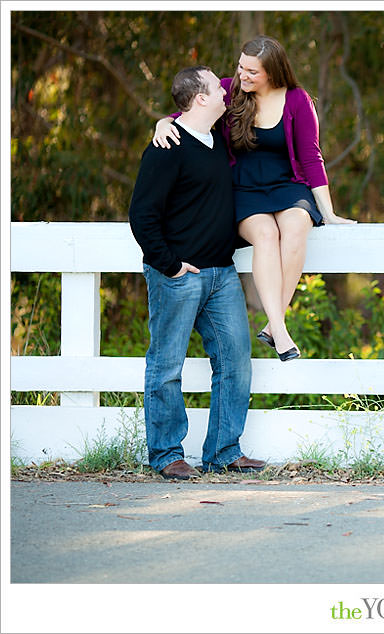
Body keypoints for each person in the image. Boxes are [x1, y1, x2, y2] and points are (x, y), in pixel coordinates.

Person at [153, 35, 355, 362]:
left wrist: (327, 213)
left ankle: (276, 326)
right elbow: (190, 114)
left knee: (296, 227)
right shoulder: (228, 90)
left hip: (288, 186)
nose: (242, 76)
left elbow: (310, 157)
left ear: (272, 72)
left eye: (252, 72)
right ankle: (280, 327)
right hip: (242, 188)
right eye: (241, 67)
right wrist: (163, 123)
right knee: (265, 235)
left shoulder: (297, 100)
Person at [129, 66, 266, 479]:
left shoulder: (217, 139)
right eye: (216, 87)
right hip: (178, 276)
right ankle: (167, 454)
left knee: (235, 362)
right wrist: (169, 265)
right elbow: (142, 214)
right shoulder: (166, 147)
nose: (225, 90)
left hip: (222, 274)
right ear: (200, 98)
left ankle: (224, 452)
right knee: (166, 365)